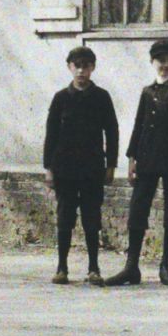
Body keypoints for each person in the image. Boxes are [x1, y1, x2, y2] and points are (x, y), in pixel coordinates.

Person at [104, 38, 168, 287]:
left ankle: (165, 266)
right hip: (146, 159)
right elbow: (139, 126)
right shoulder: (147, 92)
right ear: (152, 62)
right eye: (160, 60)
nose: (165, 65)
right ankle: (131, 267)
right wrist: (132, 159)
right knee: (138, 209)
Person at [41, 45, 118, 285]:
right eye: (77, 66)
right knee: (65, 217)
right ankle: (62, 267)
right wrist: (49, 169)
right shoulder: (61, 98)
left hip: (92, 169)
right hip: (64, 169)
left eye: (86, 66)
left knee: (91, 218)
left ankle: (93, 268)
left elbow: (112, 132)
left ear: (92, 68)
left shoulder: (101, 97)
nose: (81, 71)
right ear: (69, 68)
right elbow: (51, 134)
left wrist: (111, 165)